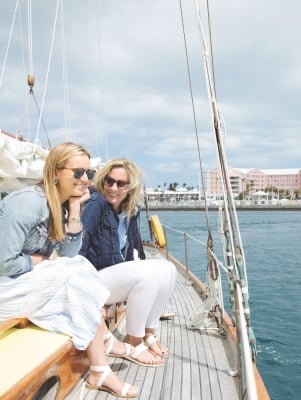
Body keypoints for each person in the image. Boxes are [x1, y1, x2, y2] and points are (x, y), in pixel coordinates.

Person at [0, 142, 138, 398]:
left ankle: (99, 367)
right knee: (77, 271)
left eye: (88, 173)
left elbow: (68, 253)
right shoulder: (27, 203)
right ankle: (104, 352)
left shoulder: (62, 205)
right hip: (6, 288)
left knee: (75, 274)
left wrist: (75, 209)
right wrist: (40, 261)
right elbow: (4, 263)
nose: (86, 180)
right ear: (55, 172)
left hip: (24, 287)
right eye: (78, 173)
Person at [80, 157, 177, 367]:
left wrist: (149, 271)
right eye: (109, 181)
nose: (113, 188)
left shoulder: (131, 210)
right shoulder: (96, 205)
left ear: (130, 187)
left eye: (120, 183)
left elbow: (137, 249)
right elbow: (79, 251)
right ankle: (134, 340)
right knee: (148, 274)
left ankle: (149, 333)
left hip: (113, 277)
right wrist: (91, 298)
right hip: (95, 279)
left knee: (168, 269)